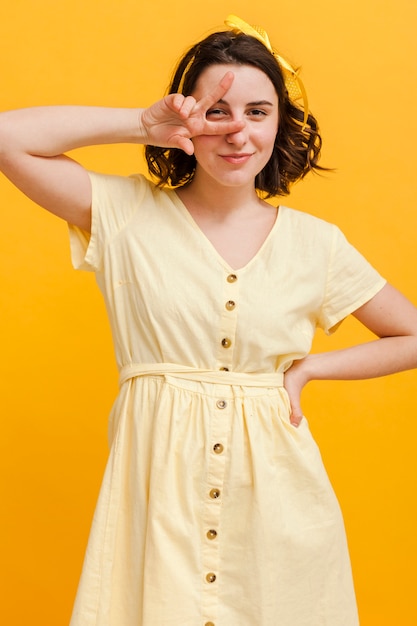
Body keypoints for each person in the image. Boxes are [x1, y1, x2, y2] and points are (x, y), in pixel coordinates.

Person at [1, 14, 416, 626]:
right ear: (186, 119)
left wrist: (310, 370)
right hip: (156, 504)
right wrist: (140, 125)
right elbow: (8, 137)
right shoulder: (124, 213)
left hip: (280, 513)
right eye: (216, 111)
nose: (237, 132)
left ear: (281, 124)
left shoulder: (316, 244)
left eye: (257, 111)